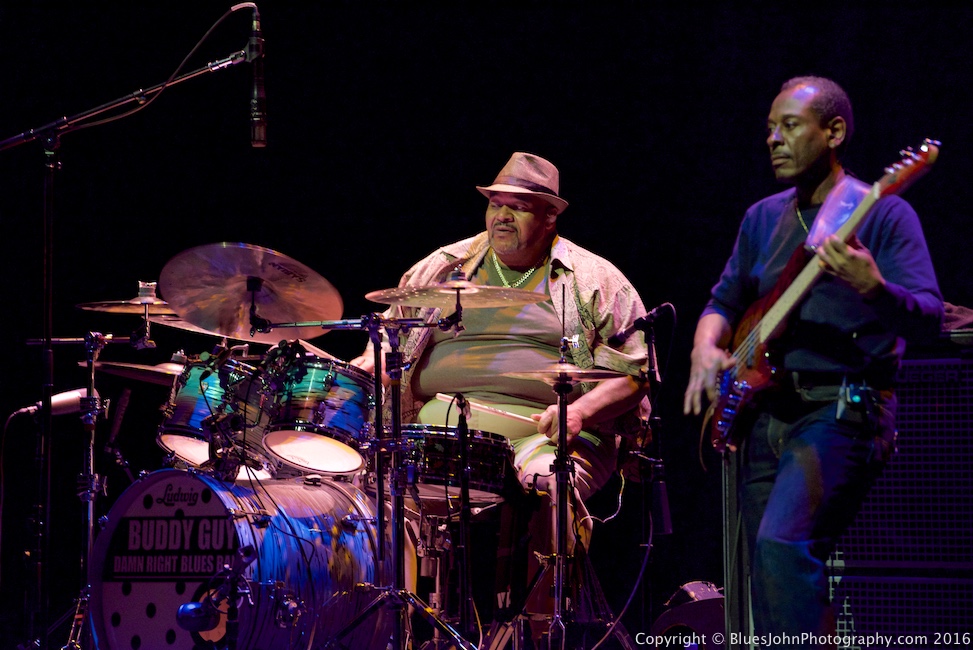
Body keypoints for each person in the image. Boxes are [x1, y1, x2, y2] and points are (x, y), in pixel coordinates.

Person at [683, 76, 943, 646]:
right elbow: (723, 301)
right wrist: (707, 346)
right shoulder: (761, 218)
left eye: (790, 126)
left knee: (782, 548)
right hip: (764, 415)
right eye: (770, 129)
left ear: (834, 132)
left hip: (842, 411)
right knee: (765, 577)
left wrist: (874, 287)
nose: (774, 139)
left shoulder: (883, 214)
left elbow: (928, 317)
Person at [351, 151, 652, 623]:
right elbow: (393, 339)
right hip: (436, 437)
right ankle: (404, 623)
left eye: (520, 206)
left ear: (551, 216)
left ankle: (539, 626)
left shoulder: (594, 279)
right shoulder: (444, 268)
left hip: (551, 436)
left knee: (547, 487)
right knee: (368, 490)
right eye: (495, 204)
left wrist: (578, 414)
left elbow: (635, 374)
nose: (502, 216)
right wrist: (372, 361)